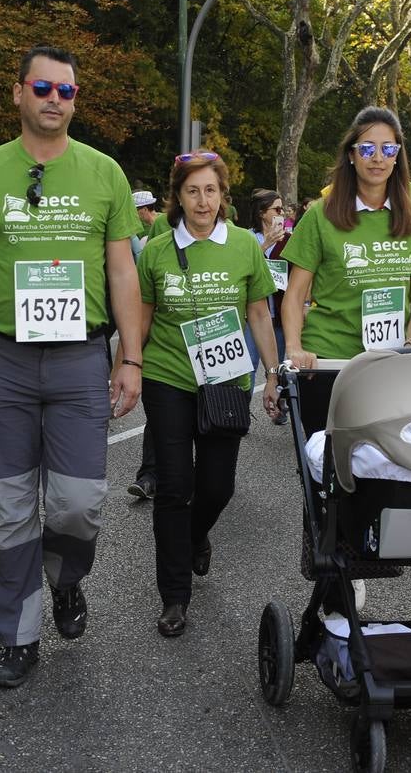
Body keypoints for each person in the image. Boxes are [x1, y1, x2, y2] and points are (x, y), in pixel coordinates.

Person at [0, 45, 144, 689]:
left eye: (67, 92)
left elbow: (123, 270)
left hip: (80, 360)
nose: (55, 99)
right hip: (6, 359)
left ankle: (66, 580)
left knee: (78, 504)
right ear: (18, 92)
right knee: (10, 509)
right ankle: (16, 637)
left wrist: (129, 356)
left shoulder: (105, 173)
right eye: (43, 88)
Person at [137, 152, 279, 637]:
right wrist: (128, 366)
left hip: (226, 379)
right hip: (168, 376)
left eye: (211, 191)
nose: (202, 201)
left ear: (223, 196)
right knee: (174, 487)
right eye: (192, 191)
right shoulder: (156, 249)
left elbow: (259, 313)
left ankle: (195, 537)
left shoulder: (243, 246)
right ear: (177, 196)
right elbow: (143, 313)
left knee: (218, 486)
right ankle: (174, 595)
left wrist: (274, 375)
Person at [281, 106, 411, 433]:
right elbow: (295, 294)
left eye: (388, 149)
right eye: (367, 148)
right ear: (351, 155)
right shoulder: (320, 215)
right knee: (326, 468)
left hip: (390, 364)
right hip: (328, 361)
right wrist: (294, 347)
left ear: (398, 157)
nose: (377, 158)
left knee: (383, 468)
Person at [246, 188, 290, 410]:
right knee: (249, 365)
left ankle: (280, 407)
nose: (282, 213)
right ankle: (240, 411)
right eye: (277, 209)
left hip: (279, 315)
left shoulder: (289, 239)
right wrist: (264, 246)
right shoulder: (246, 238)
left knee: (279, 367)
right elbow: (243, 268)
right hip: (253, 315)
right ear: (262, 212)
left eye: (284, 209)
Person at [132, 189, 159, 257]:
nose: (134, 214)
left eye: (135, 210)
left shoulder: (166, 221)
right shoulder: (140, 227)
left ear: (145, 209)